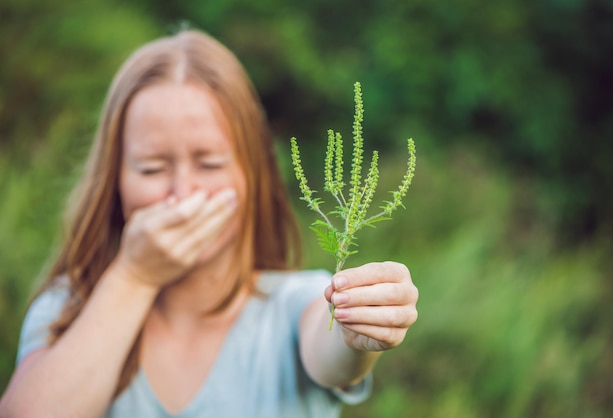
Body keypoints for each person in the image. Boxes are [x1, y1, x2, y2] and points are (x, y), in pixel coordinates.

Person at [0, 29, 418, 418]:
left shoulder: (293, 304)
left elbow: (332, 352)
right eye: (151, 169)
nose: (183, 193)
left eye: (210, 163)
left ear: (250, 174)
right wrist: (134, 277)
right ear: (114, 182)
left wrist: (357, 331)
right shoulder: (67, 310)